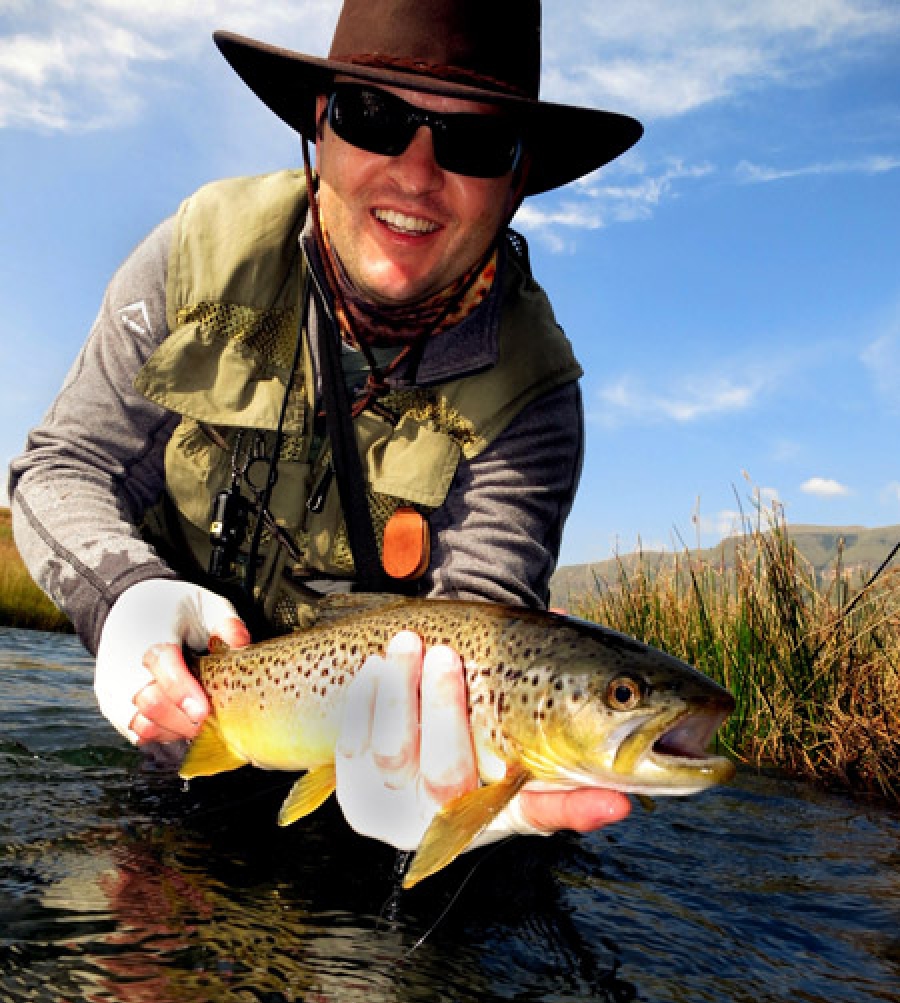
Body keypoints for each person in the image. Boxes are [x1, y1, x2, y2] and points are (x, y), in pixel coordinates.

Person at [9, 0, 642, 855]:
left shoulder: (532, 396)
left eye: (474, 143)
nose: (417, 175)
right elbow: (65, 465)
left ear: (518, 178)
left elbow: (487, 626)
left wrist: (464, 788)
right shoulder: (197, 258)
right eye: (375, 117)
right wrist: (125, 597)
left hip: (384, 785)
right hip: (190, 727)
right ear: (321, 123)